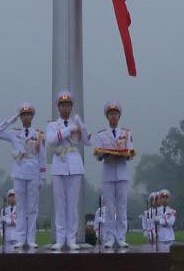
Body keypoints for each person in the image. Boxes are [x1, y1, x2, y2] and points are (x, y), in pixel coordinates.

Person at [0, 103, 46, 251]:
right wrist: (11, 119)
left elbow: (42, 157)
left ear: (32, 116)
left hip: (34, 172)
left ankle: (31, 238)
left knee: (32, 208)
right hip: (19, 172)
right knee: (21, 208)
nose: (25, 117)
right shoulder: (15, 132)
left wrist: (42, 176)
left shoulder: (39, 134)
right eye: (23, 115)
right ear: (20, 117)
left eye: (28, 114)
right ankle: (21, 238)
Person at [45, 92, 88, 251]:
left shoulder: (76, 122)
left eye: (68, 105)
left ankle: (71, 238)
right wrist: (68, 129)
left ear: (71, 107)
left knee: (72, 205)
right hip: (59, 164)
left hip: (74, 164)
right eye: (63, 105)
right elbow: (50, 140)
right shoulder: (52, 125)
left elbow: (87, 141)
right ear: (58, 107)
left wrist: (81, 127)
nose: (65, 108)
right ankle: (60, 238)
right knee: (60, 204)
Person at [90, 102, 134, 252]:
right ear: (107, 116)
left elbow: (130, 154)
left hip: (122, 173)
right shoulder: (101, 134)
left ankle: (121, 237)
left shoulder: (126, 133)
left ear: (119, 116)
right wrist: (104, 153)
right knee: (109, 208)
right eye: (111, 114)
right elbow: (98, 155)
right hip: (108, 174)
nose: (113, 116)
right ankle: (109, 237)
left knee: (122, 207)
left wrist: (125, 154)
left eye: (116, 114)